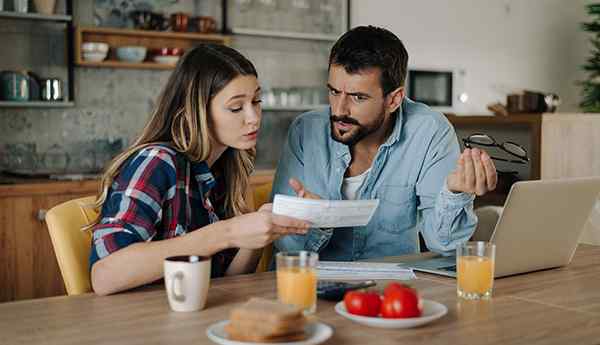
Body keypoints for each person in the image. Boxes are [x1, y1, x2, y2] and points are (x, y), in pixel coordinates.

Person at [87, 44, 310, 296]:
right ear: (198, 110)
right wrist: (227, 233)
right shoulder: (157, 161)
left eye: (256, 101)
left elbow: (224, 282)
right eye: (236, 107)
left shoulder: (227, 167)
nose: (254, 117)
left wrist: (257, 234)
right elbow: (105, 276)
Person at [272, 26, 497, 261]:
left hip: (391, 289)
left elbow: (445, 246)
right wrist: (316, 219)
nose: (338, 110)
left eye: (358, 97)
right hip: (309, 284)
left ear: (394, 100)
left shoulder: (430, 131)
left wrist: (455, 193)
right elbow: (284, 246)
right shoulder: (305, 131)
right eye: (334, 92)